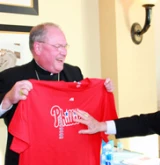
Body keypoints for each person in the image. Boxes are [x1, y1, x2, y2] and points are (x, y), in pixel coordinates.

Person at [0, 22, 113, 165]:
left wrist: (103, 90)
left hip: (66, 158)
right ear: (38, 47)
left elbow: (84, 111)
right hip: (26, 159)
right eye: (58, 46)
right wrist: (8, 99)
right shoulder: (11, 77)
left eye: (65, 46)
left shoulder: (73, 73)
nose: (64, 52)